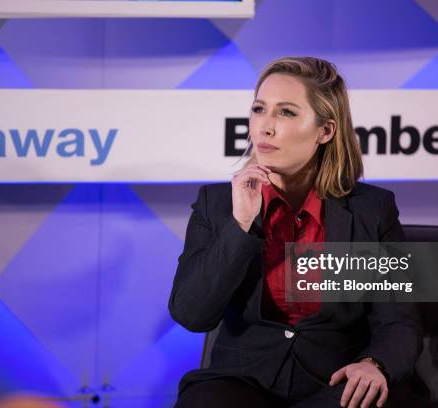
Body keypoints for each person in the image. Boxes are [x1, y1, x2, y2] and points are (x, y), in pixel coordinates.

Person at [169, 56, 422, 408]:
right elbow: (192, 315)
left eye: (286, 112)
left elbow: (398, 323)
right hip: (241, 381)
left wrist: (373, 364)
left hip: (333, 383)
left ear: (326, 130)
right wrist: (241, 225)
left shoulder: (372, 210)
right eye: (259, 109)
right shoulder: (217, 203)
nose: (264, 127)